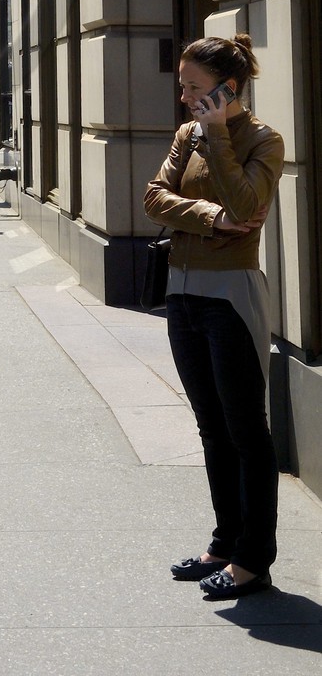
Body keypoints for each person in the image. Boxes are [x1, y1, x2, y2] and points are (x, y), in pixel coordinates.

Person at [143, 33, 284, 600]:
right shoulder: (186, 135)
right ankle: (224, 543)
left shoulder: (263, 140)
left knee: (246, 431)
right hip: (183, 294)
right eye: (183, 86)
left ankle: (254, 560)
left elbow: (249, 206)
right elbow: (154, 197)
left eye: (194, 88)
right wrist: (208, 217)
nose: (184, 98)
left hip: (230, 298)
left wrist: (220, 132)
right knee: (211, 428)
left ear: (227, 88)